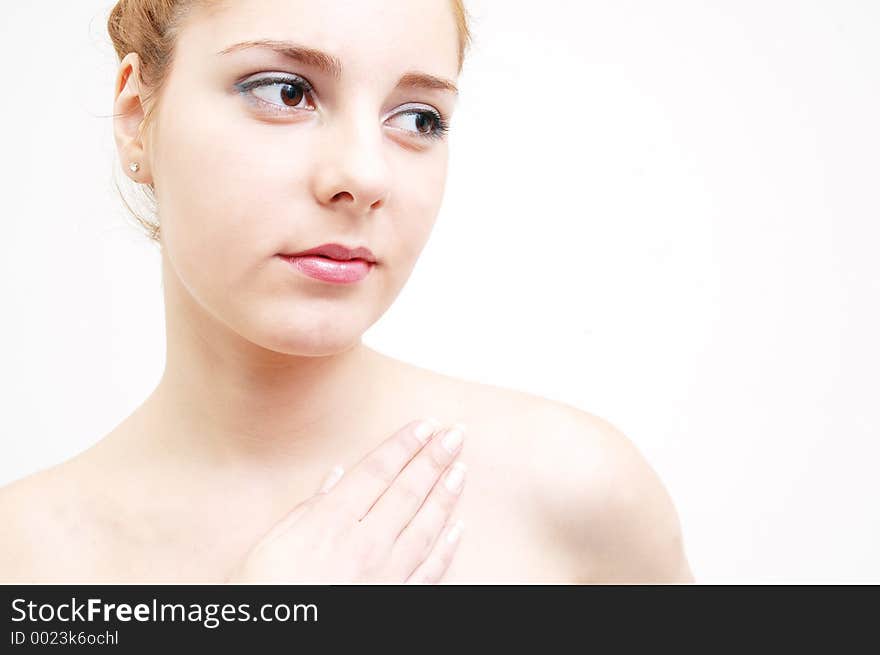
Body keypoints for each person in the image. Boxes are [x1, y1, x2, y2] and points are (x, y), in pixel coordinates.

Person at [0, 0, 694, 583]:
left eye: (419, 118)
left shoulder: (579, 495)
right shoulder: (24, 559)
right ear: (134, 115)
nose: (365, 175)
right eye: (285, 91)